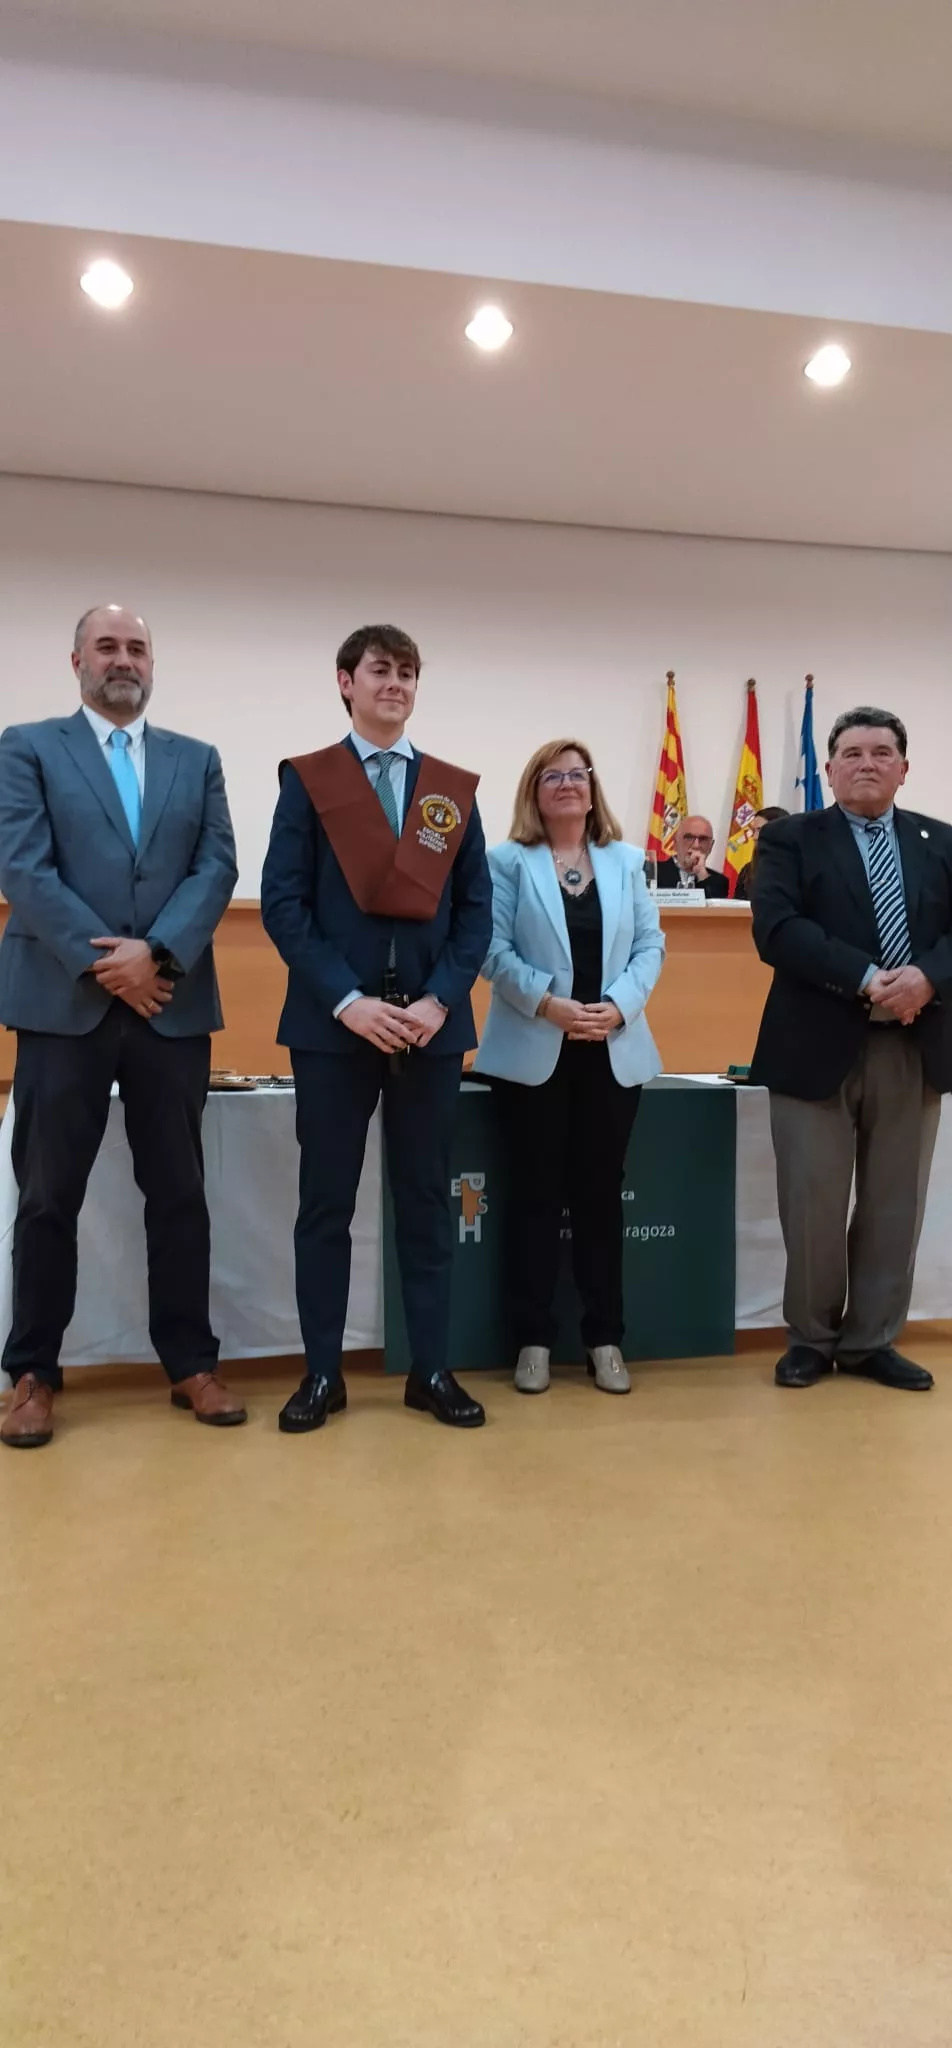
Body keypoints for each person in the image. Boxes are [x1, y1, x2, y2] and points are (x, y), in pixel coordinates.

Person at [0, 605, 242, 1449]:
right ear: (75, 660)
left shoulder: (196, 760)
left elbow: (217, 867)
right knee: (46, 1197)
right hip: (63, 1005)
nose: (124, 659)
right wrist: (112, 964)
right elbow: (23, 866)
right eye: (107, 645)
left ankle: (191, 1365)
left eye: (137, 647)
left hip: (169, 1008)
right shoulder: (26, 747)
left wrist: (160, 957)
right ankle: (32, 1372)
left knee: (179, 1195)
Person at [261, 623, 493, 1433]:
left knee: (428, 1200)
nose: (393, 683)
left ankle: (430, 1368)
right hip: (334, 1028)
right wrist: (346, 999)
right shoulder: (309, 781)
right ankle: (322, 1373)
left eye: (406, 672)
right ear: (344, 682)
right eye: (379, 670)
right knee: (325, 1203)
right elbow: (283, 906)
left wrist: (437, 1001)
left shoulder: (451, 789)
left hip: (432, 1027)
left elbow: (475, 912)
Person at [750, 705, 952, 1392]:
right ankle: (810, 1338)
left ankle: (871, 1343)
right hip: (814, 1046)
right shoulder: (791, 840)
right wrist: (869, 979)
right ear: (830, 767)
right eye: (853, 752)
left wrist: (927, 977)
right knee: (812, 1202)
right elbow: (776, 929)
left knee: (896, 1202)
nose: (867, 762)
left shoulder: (941, 842)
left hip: (913, 1045)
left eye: (882, 751)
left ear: (904, 767)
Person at [474, 739, 664, 1394]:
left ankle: (604, 1337)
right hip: (534, 1053)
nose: (566, 785)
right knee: (532, 1197)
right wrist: (548, 1004)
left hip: (610, 1052)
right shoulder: (505, 863)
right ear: (533, 790)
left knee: (599, 1200)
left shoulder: (626, 861)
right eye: (552, 776)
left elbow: (650, 945)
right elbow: (489, 949)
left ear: (592, 788)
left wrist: (618, 1007)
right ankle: (531, 1338)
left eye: (577, 774)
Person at [655, 816, 729, 897]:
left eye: (703, 839)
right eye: (689, 837)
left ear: (711, 846)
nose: (696, 845)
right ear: (675, 843)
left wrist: (701, 873)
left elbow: (715, 908)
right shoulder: (653, 873)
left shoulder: (719, 881)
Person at [733, 805, 791, 901]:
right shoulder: (747, 870)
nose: (754, 837)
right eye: (753, 831)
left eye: (760, 830)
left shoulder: (800, 867)